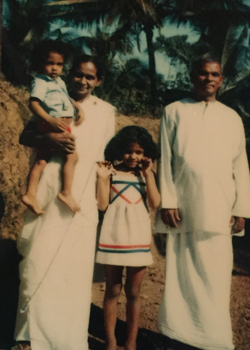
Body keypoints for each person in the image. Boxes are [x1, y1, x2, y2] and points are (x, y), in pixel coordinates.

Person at [14, 54, 115, 350]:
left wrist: (102, 194)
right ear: (69, 75)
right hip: (47, 190)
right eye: (78, 75)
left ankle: (67, 339)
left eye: (90, 77)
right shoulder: (50, 99)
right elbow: (25, 136)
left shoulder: (106, 111)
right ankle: (30, 338)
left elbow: (105, 158)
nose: (82, 81)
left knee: (75, 268)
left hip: (80, 198)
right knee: (38, 260)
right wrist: (52, 141)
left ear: (99, 81)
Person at [154, 54, 250, 350]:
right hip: (183, 209)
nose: (208, 78)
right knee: (181, 274)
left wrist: (241, 209)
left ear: (221, 80)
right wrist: (169, 201)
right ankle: (177, 335)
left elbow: (240, 166)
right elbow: (167, 159)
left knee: (216, 276)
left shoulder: (231, 117)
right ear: (192, 76)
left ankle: (213, 339)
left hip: (220, 210)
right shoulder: (174, 111)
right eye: (203, 73)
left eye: (214, 74)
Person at [96, 126, 160, 350]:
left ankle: (131, 342)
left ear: (146, 153)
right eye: (128, 151)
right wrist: (102, 179)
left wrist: (149, 174)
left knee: (134, 292)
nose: (134, 157)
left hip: (138, 237)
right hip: (113, 236)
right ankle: (111, 341)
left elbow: (155, 203)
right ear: (119, 150)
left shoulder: (146, 174)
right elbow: (103, 205)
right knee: (112, 290)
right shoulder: (110, 172)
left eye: (139, 152)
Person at [22, 40, 85, 215]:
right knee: (72, 156)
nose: (55, 68)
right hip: (54, 126)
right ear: (40, 64)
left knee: (42, 160)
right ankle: (66, 192)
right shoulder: (41, 82)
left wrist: (78, 108)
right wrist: (50, 119)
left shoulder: (59, 82)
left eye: (59, 64)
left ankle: (30, 194)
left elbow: (66, 99)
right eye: (50, 63)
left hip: (58, 125)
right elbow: (33, 103)